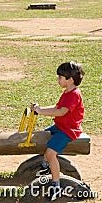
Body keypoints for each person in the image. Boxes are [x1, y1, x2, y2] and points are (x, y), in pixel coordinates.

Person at [31, 61, 85, 201]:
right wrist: (40, 108)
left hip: (68, 130)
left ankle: (56, 185)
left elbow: (61, 111)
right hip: (60, 126)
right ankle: (45, 166)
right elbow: (57, 106)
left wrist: (41, 111)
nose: (58, 79)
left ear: (70, 79)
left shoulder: (74, 95)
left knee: (50, 152)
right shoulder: (67, 92)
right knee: (43, 136)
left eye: (60, 77)